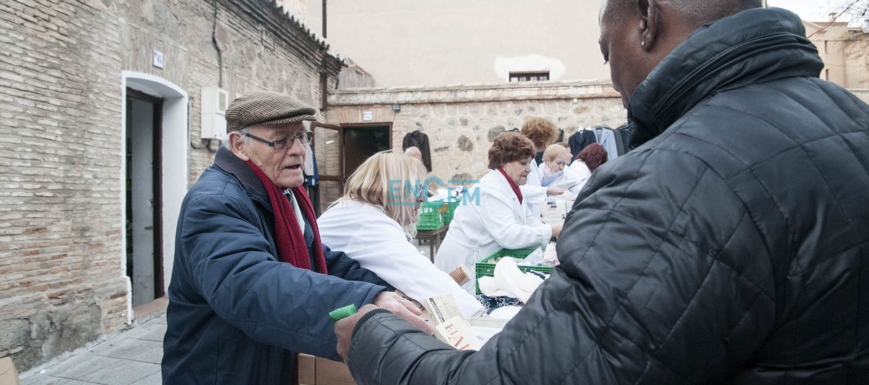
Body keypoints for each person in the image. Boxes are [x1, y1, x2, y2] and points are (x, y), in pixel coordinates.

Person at [335, 2, 869, 384]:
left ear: (645, 20)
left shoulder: (676, 178)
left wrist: (373, 338)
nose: (609, 71)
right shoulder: (850, 118)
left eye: (605, 46)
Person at [161, 91, 431, 384]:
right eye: (280, 140)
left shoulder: (281, 192)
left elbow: (321, 258)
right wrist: (365, 299)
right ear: (240, 145)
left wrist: (387, 291)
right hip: (220, 372)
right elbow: (253, 285)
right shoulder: (215, 201)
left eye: (302, 137)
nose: (298, 150)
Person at [318, 152, 485, 318]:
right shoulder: (368, 222)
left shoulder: (356, 211)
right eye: (416, 189)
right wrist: (480, 316)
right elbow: (420, 277)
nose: (422, 198)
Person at [433, 132, 563, 293]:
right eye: (523, 163)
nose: (529, 169)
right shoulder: (491, 190)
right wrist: (553, 230)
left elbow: (528, 219)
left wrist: (552, 232)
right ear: (504, 162)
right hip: (464, 263)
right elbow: (509, 235)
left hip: (479, 257)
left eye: (529, 163)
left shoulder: (511, 187)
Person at [518, 118, 565, 218]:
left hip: (534, 213)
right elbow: (519, 189)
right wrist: (547, 190)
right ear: (542, 138)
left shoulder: (532, 157)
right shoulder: (522, 158)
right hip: (526, 214)